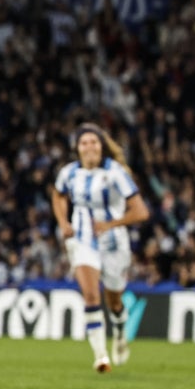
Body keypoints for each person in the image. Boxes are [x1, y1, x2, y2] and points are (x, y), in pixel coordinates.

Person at [50, 122, 150, 372]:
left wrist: (111, 224)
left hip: (115, 244)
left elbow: (141, 211)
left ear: (101, 146)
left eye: (94, 142)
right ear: (78, 148)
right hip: (83, 241)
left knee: (114, 300)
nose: (89, 147)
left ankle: (118, 331)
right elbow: (58, 195)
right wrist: (63, 222)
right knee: (91, 295)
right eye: (84, 143)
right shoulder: (69, 173)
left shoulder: (115, 172)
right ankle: (100, 356)